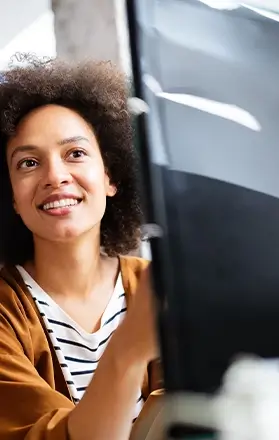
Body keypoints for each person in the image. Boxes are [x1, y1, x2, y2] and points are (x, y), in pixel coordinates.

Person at [0, 54, 161, 440]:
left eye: (75, 153)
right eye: (28, 163)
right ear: (10, 198)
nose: (55, 176)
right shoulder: (6, 312)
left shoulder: (163, 283)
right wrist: (128, 351)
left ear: (111, 176)